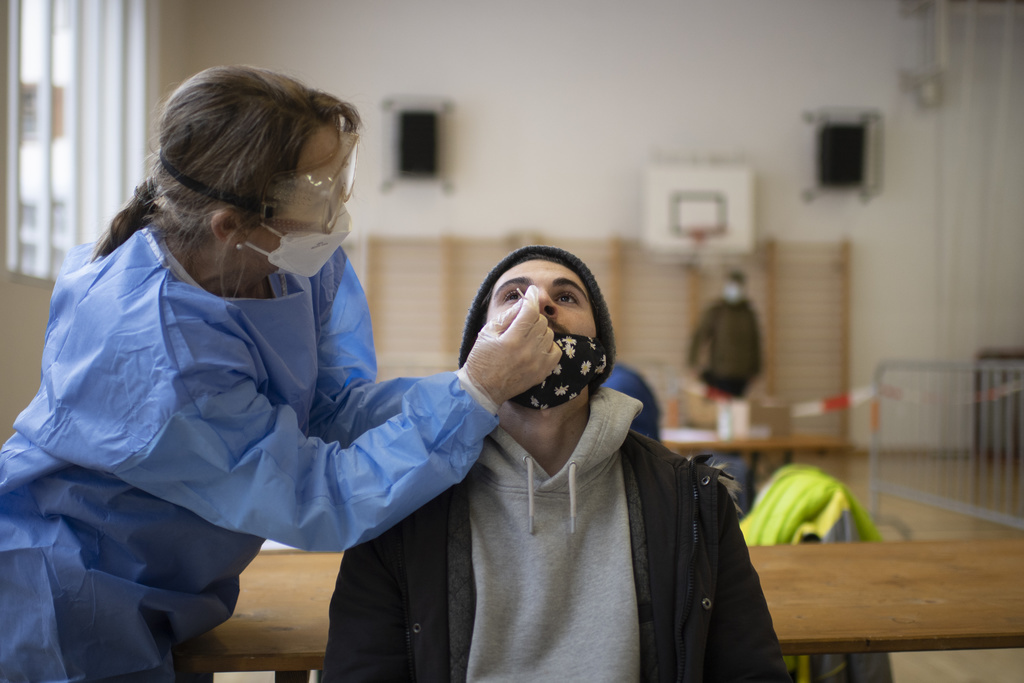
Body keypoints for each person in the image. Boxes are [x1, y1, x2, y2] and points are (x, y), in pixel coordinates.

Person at [0, 66, 559, 682]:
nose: (338, 206)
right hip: (67, 597)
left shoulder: (287, 258)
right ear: (229, 223)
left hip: (167, 584)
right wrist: (474, 393)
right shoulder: (157, 355)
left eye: (340, 178)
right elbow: (318, 494)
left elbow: (332, 409)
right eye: (318, 190)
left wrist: (466, 396)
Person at [323, 245, 789, 682]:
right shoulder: (402, 496)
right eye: (513, 295)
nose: (539, 303)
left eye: (565, 296)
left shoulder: (691, 501)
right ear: (477, 354)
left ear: (600, 355)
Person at [687, 269, 761, 397]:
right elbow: (699, 336)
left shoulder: (748, 314)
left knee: (738, 409)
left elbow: (756, 343)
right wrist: (693, 362)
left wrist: (756, 370)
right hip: (720, 372)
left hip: (742, 374)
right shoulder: (717, 311)